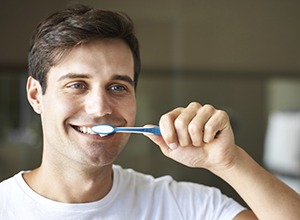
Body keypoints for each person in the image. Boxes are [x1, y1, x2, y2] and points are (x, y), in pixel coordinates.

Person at [0, 4, 299, 220]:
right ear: (36, 95)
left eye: (118, 87)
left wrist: (230, 162)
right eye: (77, 85)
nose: (100, 107)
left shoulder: (182, 206)